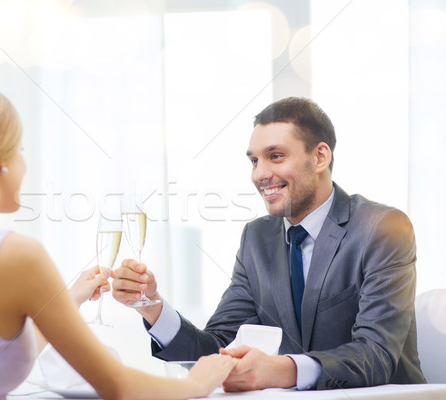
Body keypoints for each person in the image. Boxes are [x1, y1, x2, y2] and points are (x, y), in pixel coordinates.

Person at [0, 82, 236, 400]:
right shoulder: (16, 255)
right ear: (0, 161)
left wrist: (67, 300)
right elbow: (118, 387)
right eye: (19, 149)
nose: (23, 164)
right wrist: (197, 384)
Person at [112, 97, 426, 391]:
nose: (260, 174)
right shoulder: (257, 239)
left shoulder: (382, 228)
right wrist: (152, 307)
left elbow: (375, 356)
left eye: (275, 156)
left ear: (319, 157)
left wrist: (279, 369)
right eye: (254, 161)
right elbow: (215, 349)